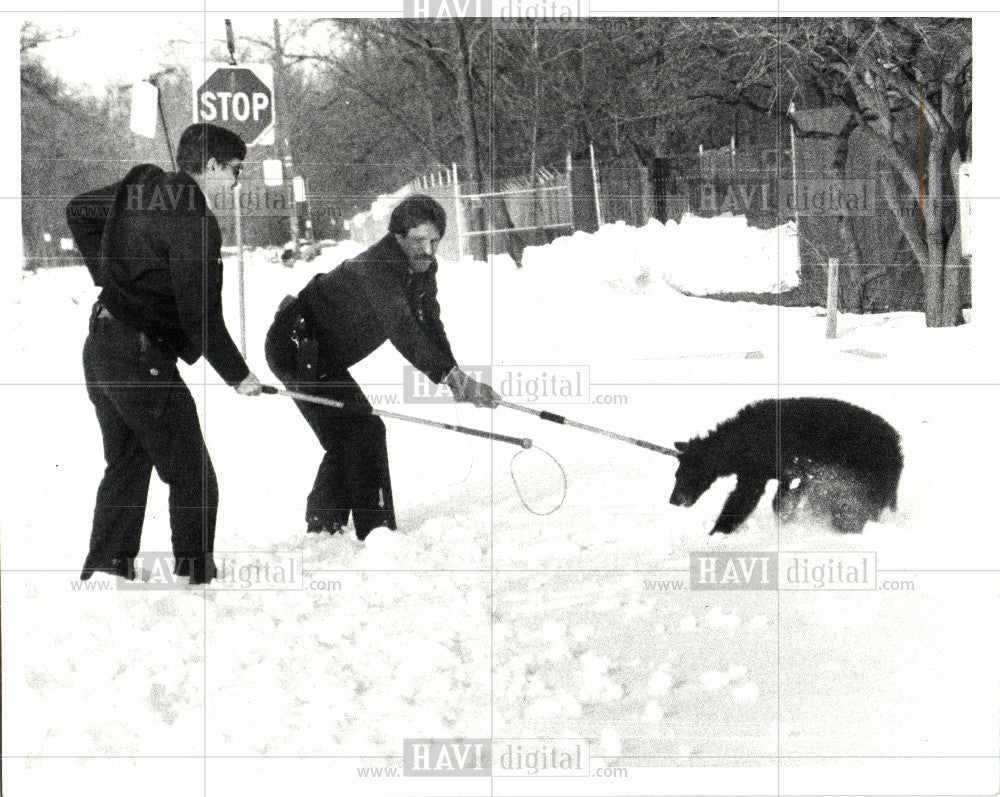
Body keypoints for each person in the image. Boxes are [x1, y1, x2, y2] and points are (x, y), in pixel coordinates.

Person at [66, 123, 263, 584]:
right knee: (194, 476)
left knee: (129, 461)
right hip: (138, 357)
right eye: (235, 171)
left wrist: (111, 277)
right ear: (211, 166)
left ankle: (109, 571)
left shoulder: (143, 184)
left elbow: (79, 211)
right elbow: (202, 317)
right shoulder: (196, 222)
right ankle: (197, 581)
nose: (237, 182)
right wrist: (239, 375)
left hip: (101, 346)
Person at [265, 194, 500, 540]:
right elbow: (402, 328)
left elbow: (428, 323)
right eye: (420, 240)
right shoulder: (376, 268)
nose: (429, 249)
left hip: (323, 356)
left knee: (351, 433)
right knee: (362, 431)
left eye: (435, 240)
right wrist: (452, 378)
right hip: (295, 350)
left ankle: (325, 524)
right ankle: (373, 532)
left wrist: (455, 376)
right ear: (398, 237)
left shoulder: (421, 267)